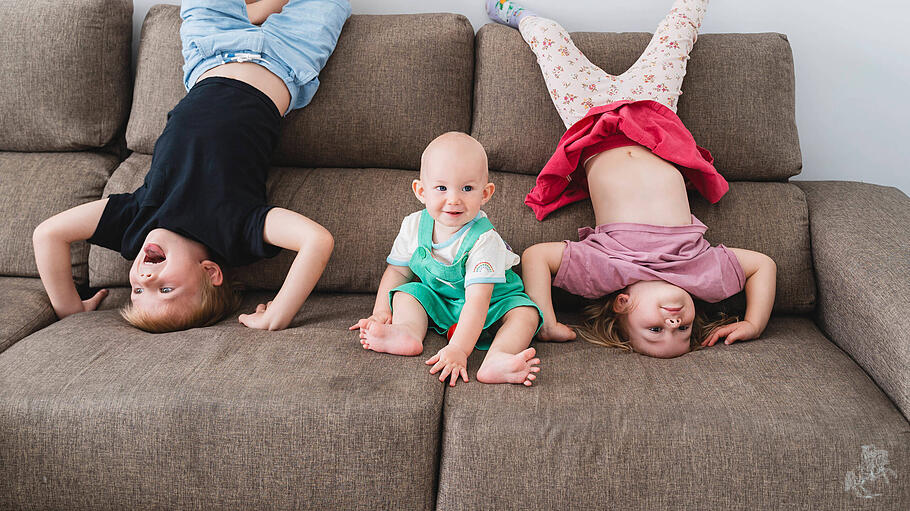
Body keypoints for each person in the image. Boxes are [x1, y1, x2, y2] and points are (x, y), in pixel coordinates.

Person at [32, 0, 351, 332]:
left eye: (137, 290)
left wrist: (69, 310)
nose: (145, 276)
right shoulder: (236, 232)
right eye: (164, 289)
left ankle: (257, 13)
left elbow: (47, 235)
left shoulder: (133, 224)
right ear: (210, 272)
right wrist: (279, 313)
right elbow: (317, 240)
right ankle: (263, 13)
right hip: (287, 59)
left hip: (211, 52)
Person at [486, 0, 777, 358]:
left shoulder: (603, 272)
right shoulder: (704, 276)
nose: (673, 323)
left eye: (655, 329)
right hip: (654, 114)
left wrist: (545, 320)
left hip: (589, 118)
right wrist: (753, 323)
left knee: (548, 37)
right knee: (681, 27)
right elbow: (763, 265)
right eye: (684, 330)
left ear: (622, 304)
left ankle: (517, 14)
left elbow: (535, 257)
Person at [350, 132, 545, 386]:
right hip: (442, 301)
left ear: (485, 194)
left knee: (526, 314)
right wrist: (380, 312)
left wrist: (458, 350)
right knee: (405, 292)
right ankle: (406, 331)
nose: (454, 199)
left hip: (493, 303)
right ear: (421, 191)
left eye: (467, 188)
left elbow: (478, 301)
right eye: (441, 188)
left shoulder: (485, 240)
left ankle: (498, 357)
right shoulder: (414, 225)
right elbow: (397, 271)